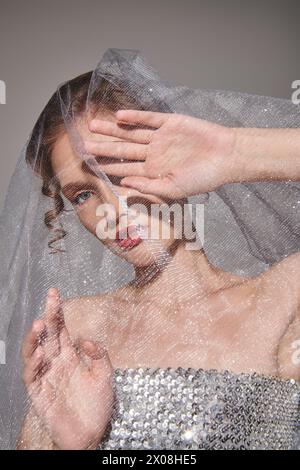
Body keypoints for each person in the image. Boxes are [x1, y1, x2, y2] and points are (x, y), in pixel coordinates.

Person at [2, 49, 300, 450]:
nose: (112, 210)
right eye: (83, 194)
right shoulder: (77, 328)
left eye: (121, 166)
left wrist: (233, 152)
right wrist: (80, 445)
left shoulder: (284, 297)